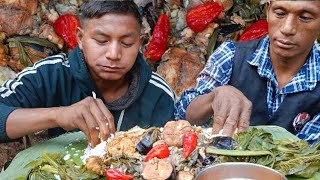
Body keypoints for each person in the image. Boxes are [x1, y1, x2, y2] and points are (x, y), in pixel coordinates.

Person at [0, 0, 175, 147]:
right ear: (80, 38)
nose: (113, 54)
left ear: (140, 43)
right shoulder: (50, 74)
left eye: (127, 43)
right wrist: (58, 115)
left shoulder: (158, 94)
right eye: (101, 41)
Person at [175, 0, 320, 144]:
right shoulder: (231, 55)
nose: (288, 28)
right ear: (268, 12)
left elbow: (307, 155)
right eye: (280, 13)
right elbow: (184, 113)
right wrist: (214, 96)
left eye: (305, 17)